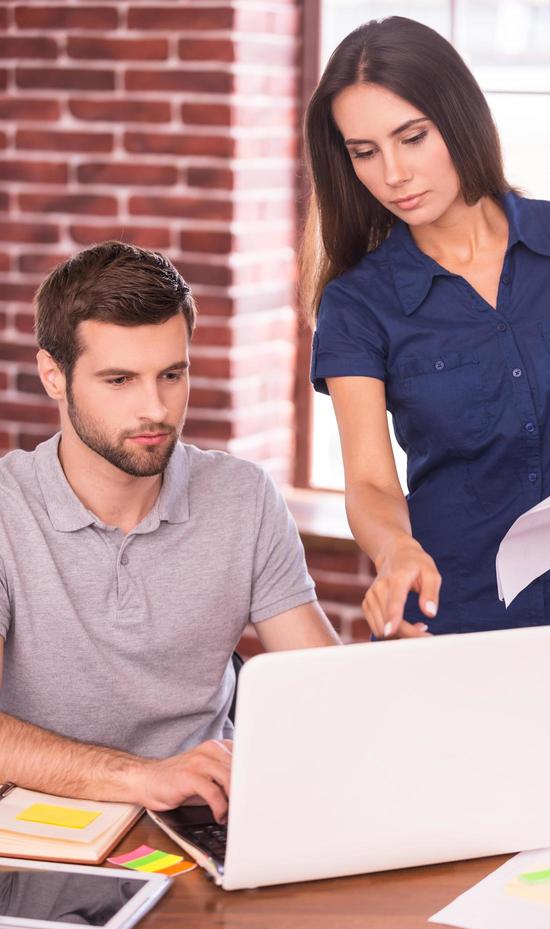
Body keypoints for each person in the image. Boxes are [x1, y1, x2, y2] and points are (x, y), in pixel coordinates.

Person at [303, 16, 550, 764]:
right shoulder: (359, 304)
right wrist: (395, 552)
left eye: (412, 137)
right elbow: (367, 478)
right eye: (364, 152)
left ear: (460, 120)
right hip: (453, 631)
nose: (392, 173)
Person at [0, 240, 338, 821]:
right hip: (43, 824)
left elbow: (326, 691)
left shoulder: (242, 497)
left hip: (200, 817)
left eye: (171, 374)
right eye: (119, 380)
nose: (155, 409)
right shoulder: (8, 509)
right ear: (54, 376)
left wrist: (393, 682)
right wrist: (141, 777)